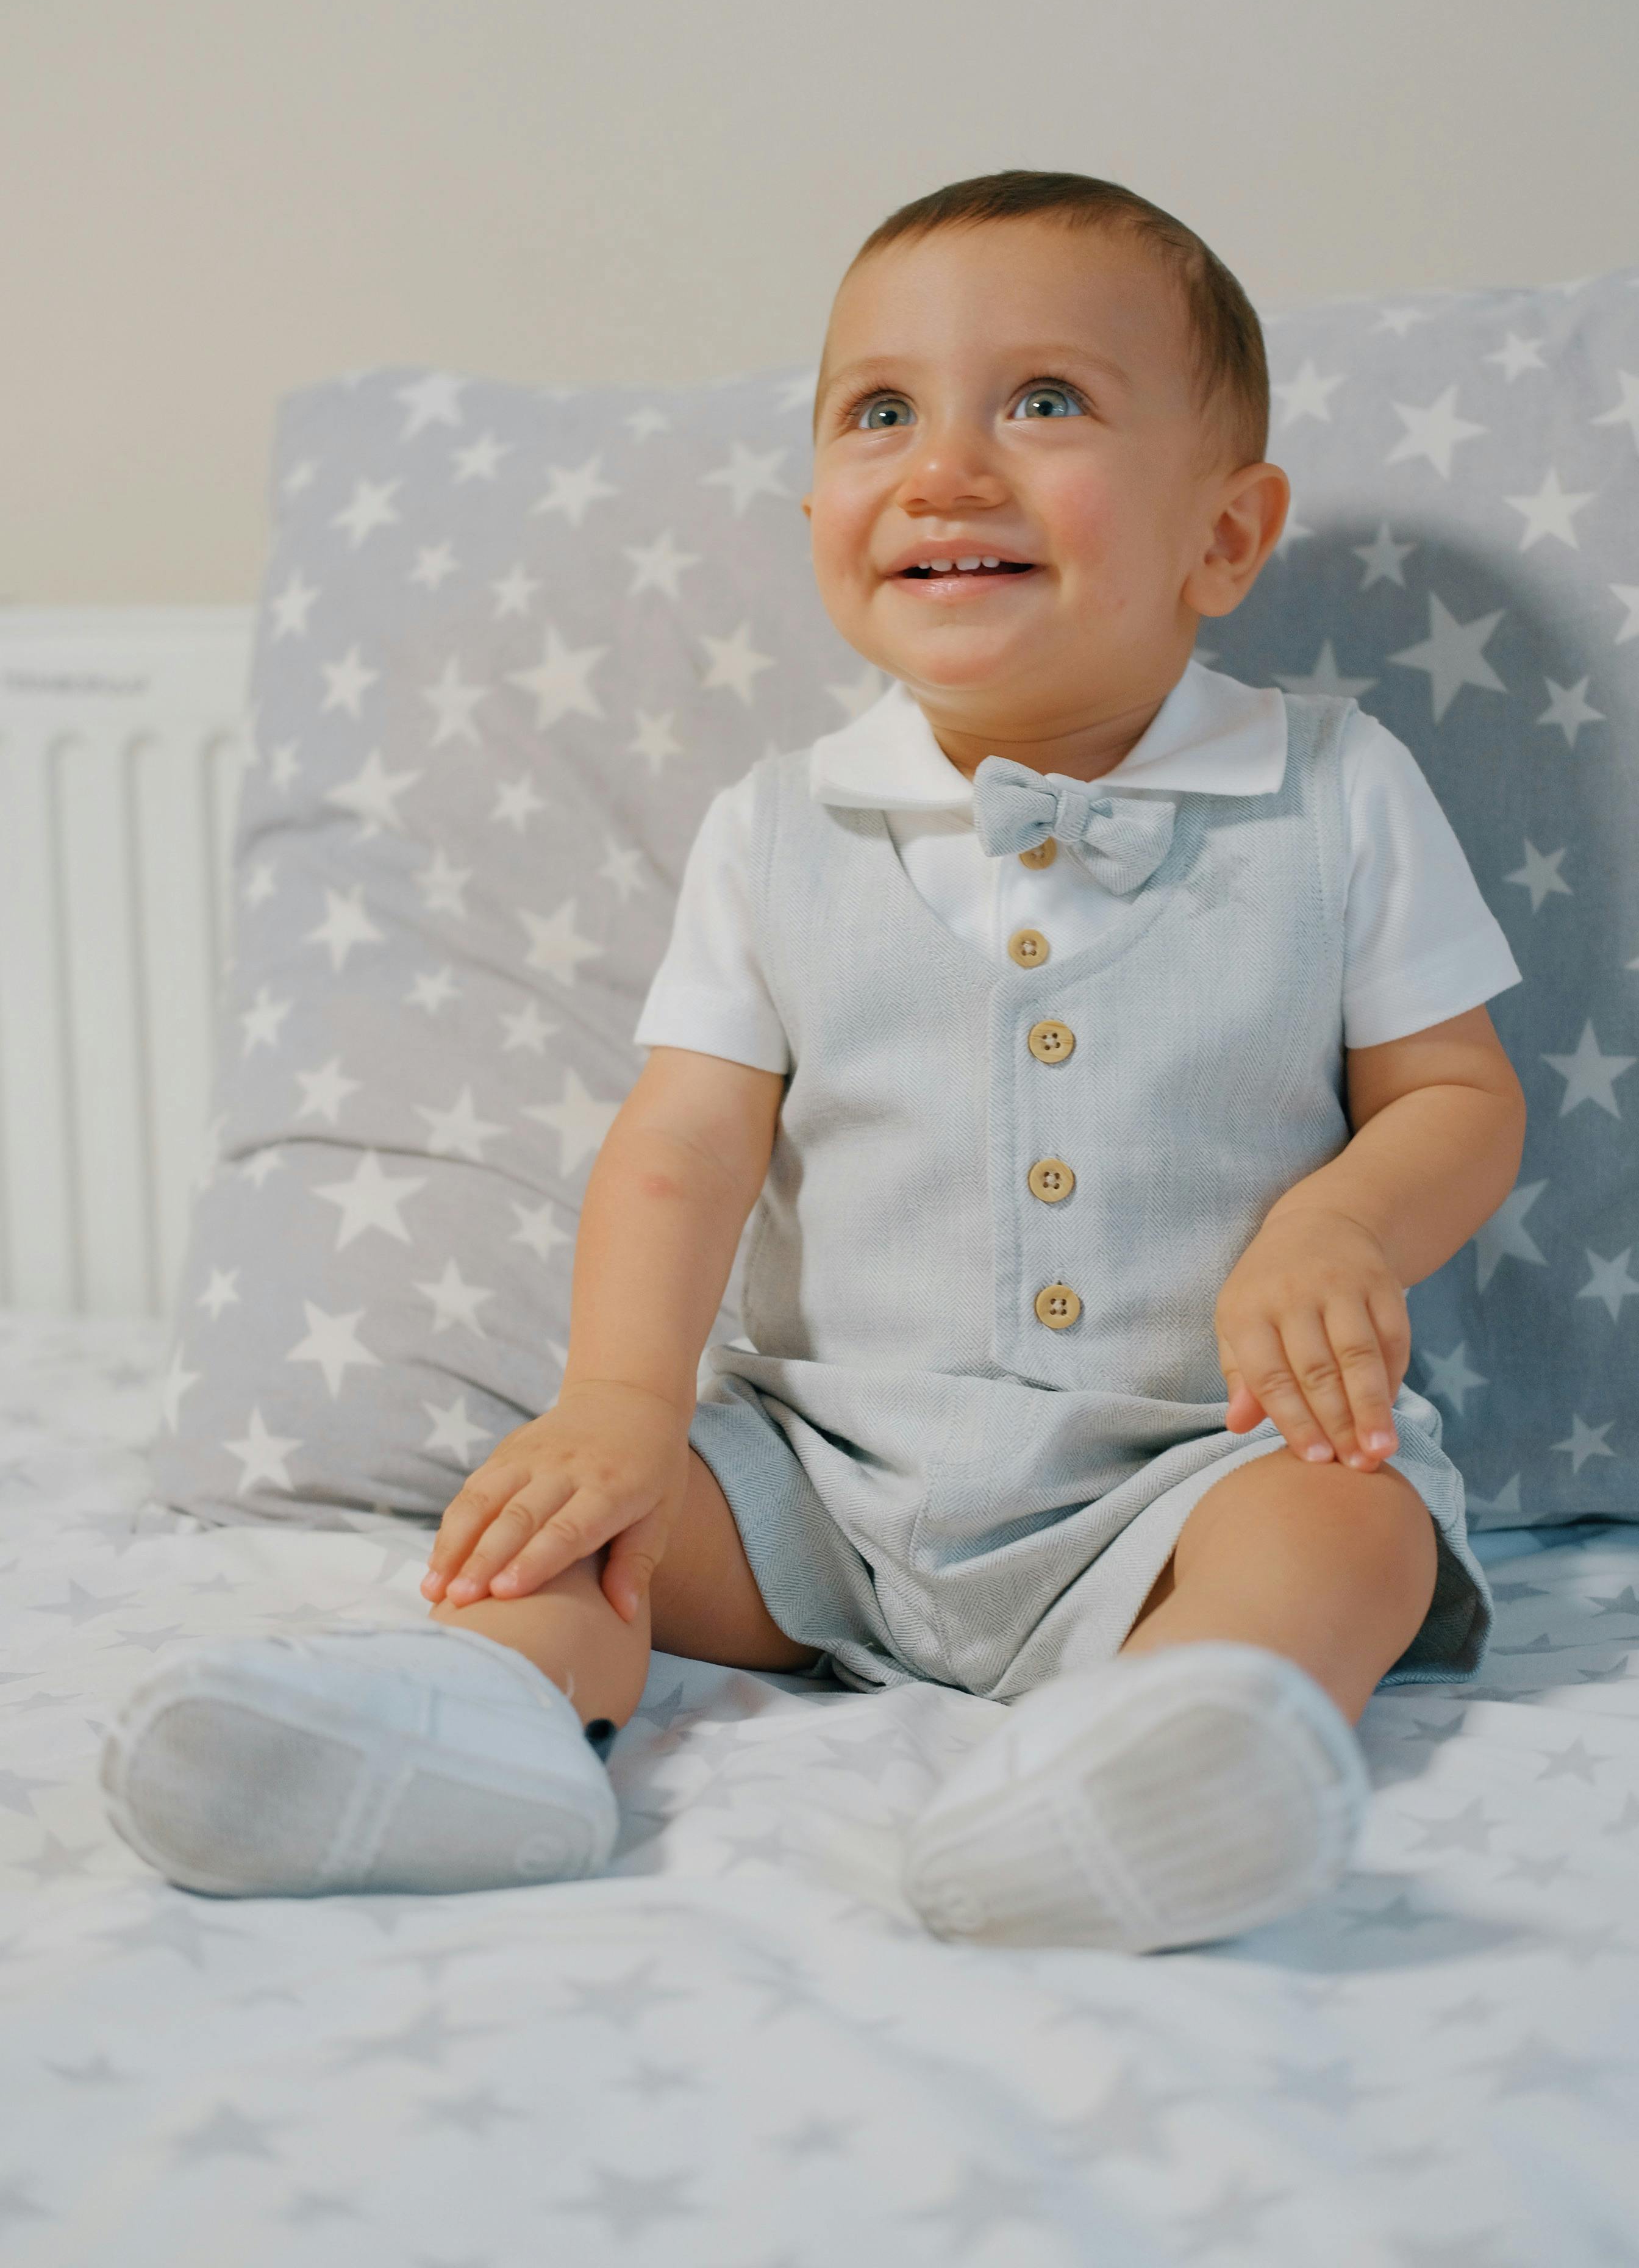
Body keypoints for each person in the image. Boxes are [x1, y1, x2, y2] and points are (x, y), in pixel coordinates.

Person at [100, 170, 1526, 1952]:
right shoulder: (782, 828)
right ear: (819, 512)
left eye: (1046, 401)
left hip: (1190, 1467)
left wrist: (1342, 1234)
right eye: (879, 411)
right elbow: (684, 1141)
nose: (946, 465)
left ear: (1225, 539)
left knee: (1353, 1531)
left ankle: (1181, 1742)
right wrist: (619, 1404)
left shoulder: (1336, 793)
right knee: (583, 1525)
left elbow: (1457, 1097)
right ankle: (495, 1727)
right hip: (822, 1482)